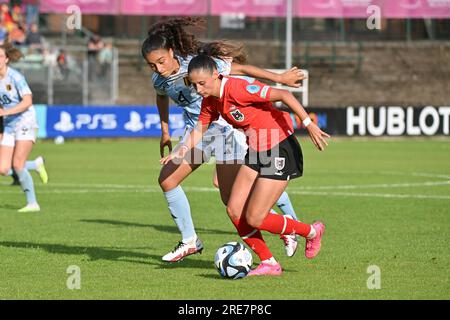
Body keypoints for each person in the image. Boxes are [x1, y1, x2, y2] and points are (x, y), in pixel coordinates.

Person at [142, 17, 306, 262]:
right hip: (196, 133)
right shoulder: (159, 79)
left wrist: (280, 79)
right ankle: (190, 241)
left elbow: (243, 69)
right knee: (167, 180)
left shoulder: (197, 65)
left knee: (234, 198)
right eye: (151, 65)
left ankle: (288, 225)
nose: (158, 68)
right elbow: (161, 97)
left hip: (222, 130)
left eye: (161, 61)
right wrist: (165, 130)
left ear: (170, 51)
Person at [162, 54, 330, 276]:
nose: (199, 89)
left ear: (216, 74)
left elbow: (283, 94)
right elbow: (200, 128)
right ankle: (269, 263)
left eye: (202, 83)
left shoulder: (238, 89)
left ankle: (310, 232)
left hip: (279, 146)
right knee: (234, 209)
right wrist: (182, 150)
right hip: (257, 149)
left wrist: (308, 124)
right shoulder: (210, 101)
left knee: (255, 217)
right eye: (193, 84)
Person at [0, 42, 41, 212]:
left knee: (17, 164)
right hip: (9, 124)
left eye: (0, 56)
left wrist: (4, 112)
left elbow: (28, 101)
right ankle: (35, 165)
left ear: (6, 59)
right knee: (2, 169)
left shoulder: (15, 77)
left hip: (25, 121)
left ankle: (33, 203)